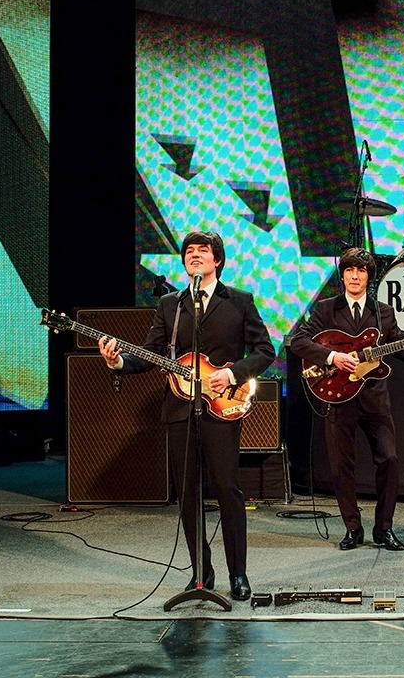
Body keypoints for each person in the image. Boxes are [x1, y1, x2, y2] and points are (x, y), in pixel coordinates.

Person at [97, 230, 276, 601]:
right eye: (189, 252)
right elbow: (149, 355)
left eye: (203, 251)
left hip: (222, 407)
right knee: (188, 494)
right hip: (179, 408)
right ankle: (201, 572)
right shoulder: (170, 305)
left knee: (227, 489)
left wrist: (234, 373)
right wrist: (117, 362)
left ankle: (238, 574)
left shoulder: (239, 301)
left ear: (217, 260)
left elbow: (265, 350)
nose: (195, 256)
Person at [290, 247, 404, 551]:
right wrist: (333, 356)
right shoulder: (325, 309)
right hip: (338, 395)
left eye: (361, 271)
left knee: (390, 459)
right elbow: (299, 342)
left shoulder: (382, 311)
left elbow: (399, 348)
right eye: (349, 270)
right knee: (341, 466)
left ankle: (383, 529)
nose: (355, 276)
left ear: (369, 276)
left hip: (374, 399)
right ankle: (353, 528)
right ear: (342, 275)